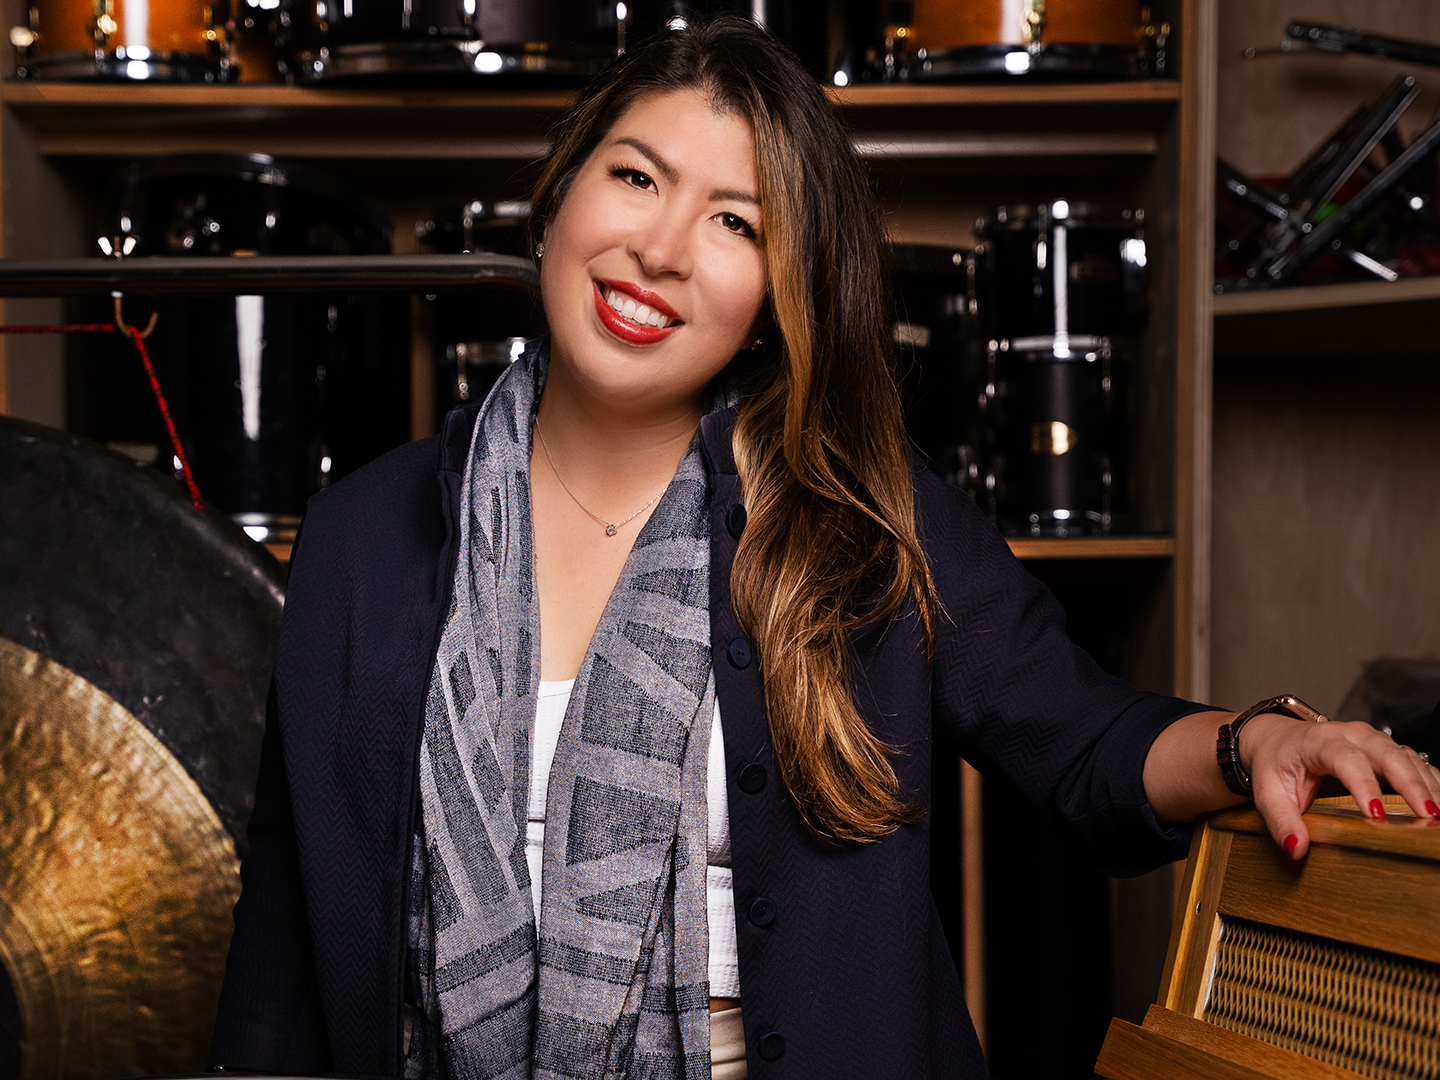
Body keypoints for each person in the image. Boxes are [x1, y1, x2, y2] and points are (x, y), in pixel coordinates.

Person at [207, 15, 1440, 1080]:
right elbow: (286, 929)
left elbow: (1083, 745)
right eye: (636, 178)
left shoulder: (858, 516)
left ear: (774, 295)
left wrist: (1259, 738)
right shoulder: (367, 533)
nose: (662, 248)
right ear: (560, 195)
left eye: (735, 222)